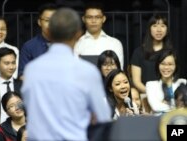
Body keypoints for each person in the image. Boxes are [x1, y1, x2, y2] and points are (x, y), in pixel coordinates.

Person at [21, 8, 111, 140]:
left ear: (50, 32)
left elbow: (29, 108)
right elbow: (102, 118)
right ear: (78, 34)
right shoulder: (87, 72)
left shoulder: (31, 70)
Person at [130, 14, 173, 93]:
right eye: (155, 26)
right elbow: (136, 81)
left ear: (167, 30)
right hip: (145, 95)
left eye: (163, 26)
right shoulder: (138, 52)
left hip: (166, 95)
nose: (159, 29)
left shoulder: (171, 52)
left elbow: (174, 78)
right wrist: (151, 94)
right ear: (149, 29)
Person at [74, 2, 124, 69]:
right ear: (83, 19)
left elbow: (118, 71)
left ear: (103, 19)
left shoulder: (115, 43)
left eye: (97, 17)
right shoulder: (76, 44)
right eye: (89, 17)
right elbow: (73, 70)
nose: (93, 21)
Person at [18, 3, 57, 79]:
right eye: (47, 20)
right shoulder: (29, 46)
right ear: (39, 22)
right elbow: (22, 75)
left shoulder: (66, 45)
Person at [146, 49, 186, 115]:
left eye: (170, 64)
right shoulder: (151, 85)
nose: (166, 67)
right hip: (158, 122)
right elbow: (156, 107)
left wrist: (164, 104)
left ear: (176, 66)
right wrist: (177, 107)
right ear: (158, 65)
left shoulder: (183, 83)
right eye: (163, 64)